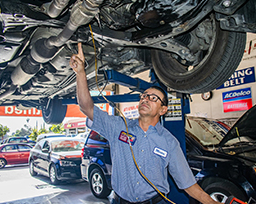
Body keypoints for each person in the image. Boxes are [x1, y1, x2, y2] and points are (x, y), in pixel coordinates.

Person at [70, 42, 221, 204]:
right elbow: (86, 107)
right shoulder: (119, 127)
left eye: (153, 98)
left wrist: (212, 202)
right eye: (144, 96)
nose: (146, 98)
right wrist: (80, 73)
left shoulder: (169, 142)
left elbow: (188, 183)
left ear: (163, 110)